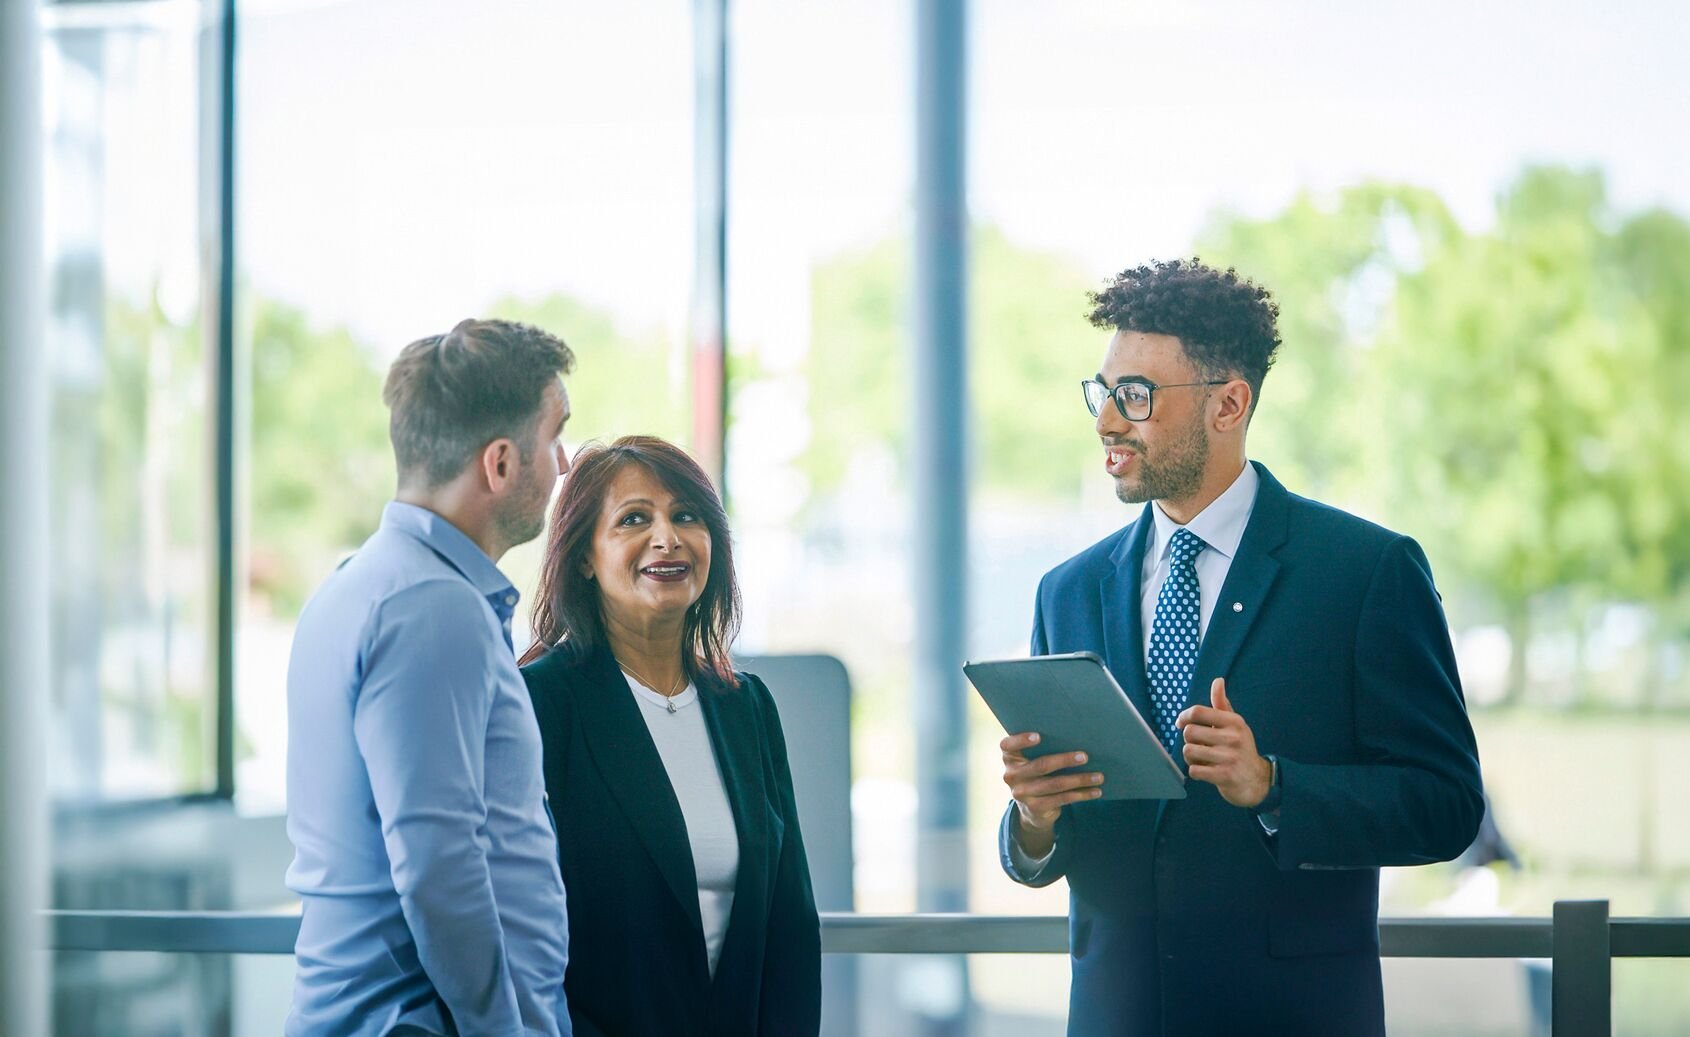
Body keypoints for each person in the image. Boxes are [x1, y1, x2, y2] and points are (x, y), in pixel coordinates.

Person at [997, 259, 1485, 1037]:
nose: (1107, 421)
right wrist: (1033, 817)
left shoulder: (1365, 573)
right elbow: (1053, 843)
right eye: (1103, 392)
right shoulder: (1068, 591)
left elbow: (1447, 806)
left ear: (1229, 403)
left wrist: (1273, 785)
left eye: (1136, 395)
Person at [285, 319, 576, 1036]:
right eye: (554, 437)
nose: (565, 463)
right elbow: (439, 871)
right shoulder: (431, 607)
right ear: (500, 463)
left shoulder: (362, 585)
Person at [519, 435, 821, 1037]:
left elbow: (789, 929)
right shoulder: (538, 703)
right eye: (634, 519)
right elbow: (521, 937)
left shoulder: (746, 707)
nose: (668, 537)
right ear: (585, 557)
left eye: (687, 516)